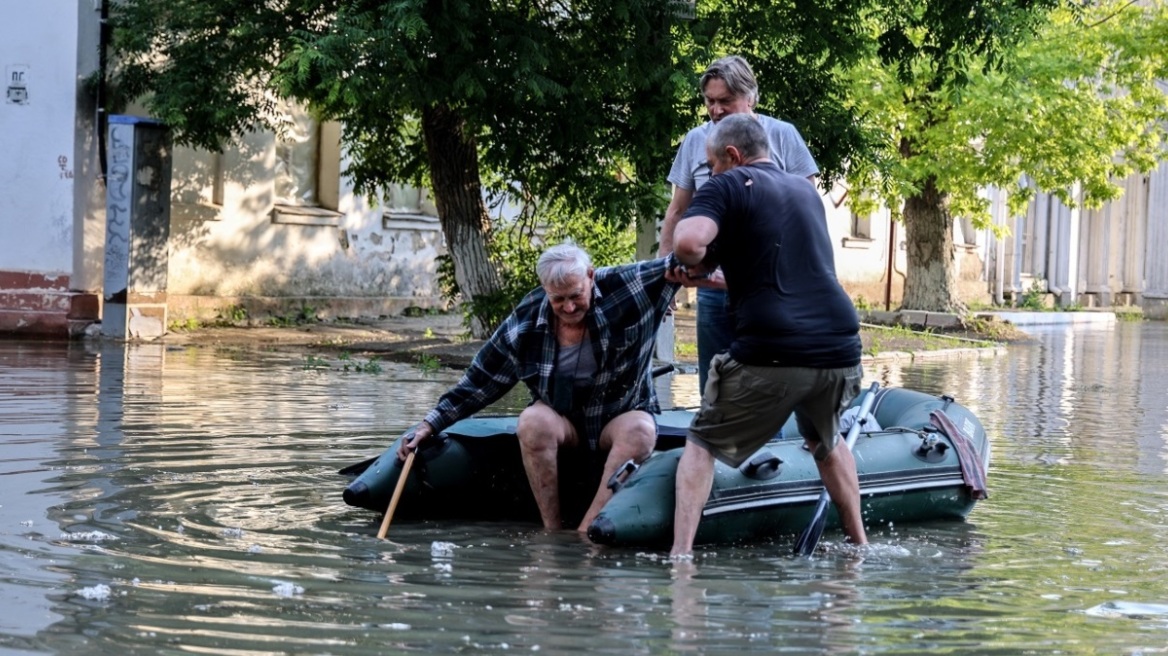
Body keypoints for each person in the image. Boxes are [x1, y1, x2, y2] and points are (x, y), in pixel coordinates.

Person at [667, 114, 866, 557]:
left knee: (701, 442)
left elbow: (690, 241)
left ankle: (680, 560)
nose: (711, 173)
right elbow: (779, 268)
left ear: (733, 156)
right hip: (840, 348)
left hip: (773, 350)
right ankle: (860, 546)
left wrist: (686, 254)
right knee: (824, 441)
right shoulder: (804, 191)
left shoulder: (729, 184)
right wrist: (714, 275)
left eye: (712, 164)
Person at [398, 242, 680, 532]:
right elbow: (480, 381)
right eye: (559, 299)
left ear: (591, 277)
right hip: (563, 421)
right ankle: (552, 532)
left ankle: (587, 532)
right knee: (532, 420)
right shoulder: (525, 321)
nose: (569, 307)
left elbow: (685, 261)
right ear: (544, 289)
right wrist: (429, 425)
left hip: (620, 415)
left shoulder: (627, 284)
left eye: (576, 296)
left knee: (641, 430)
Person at [658, 55, 820, 393]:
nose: (715, 110)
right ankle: (714, 441)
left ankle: (768, 444)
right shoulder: (694, 140)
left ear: (750, 97)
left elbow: (806, 210)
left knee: (767, 384)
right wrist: (664, 276)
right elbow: (677, 212)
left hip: (769, 286)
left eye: (725, 101)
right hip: (713, 286)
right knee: (715, 385)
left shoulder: (783, 136)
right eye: (710, 101)